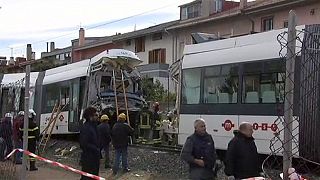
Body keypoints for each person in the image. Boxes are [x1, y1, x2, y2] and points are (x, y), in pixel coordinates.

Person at [79, 107, 100, 180]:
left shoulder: (94, 126)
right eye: (95, 115)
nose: (97, 116)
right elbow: (83, 144)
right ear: (90, 116)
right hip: (88, 159)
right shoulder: (86, 128)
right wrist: (96, 149)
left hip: (94, 158)